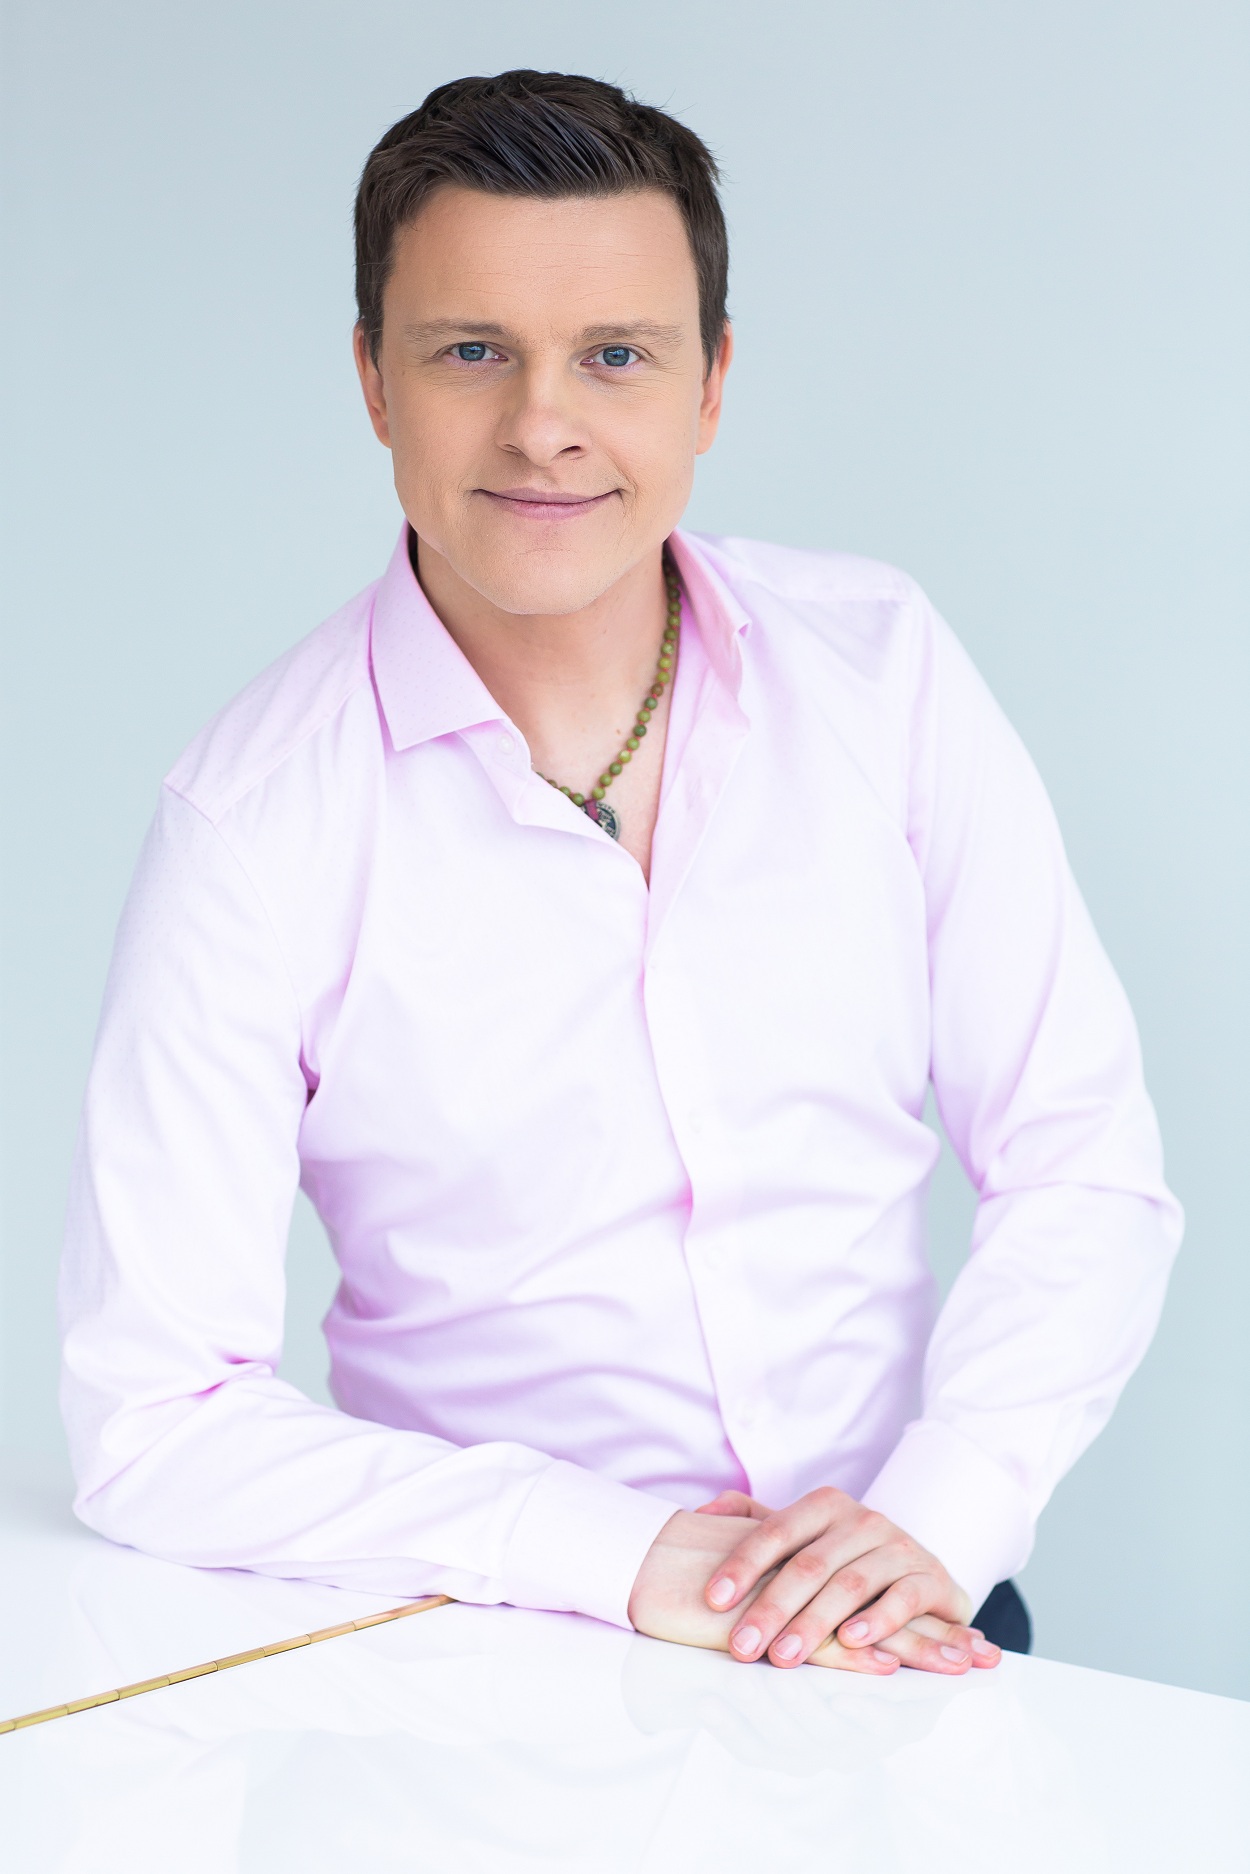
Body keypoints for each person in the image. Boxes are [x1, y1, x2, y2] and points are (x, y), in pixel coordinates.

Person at [59, 70, 1182, 1680]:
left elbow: (1079, 1157)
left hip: (906, 1602)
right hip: (499, 1650)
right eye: (470, 352)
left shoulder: (880, 670)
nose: (543, 424)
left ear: (710, 383)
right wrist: (613, 1552)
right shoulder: (253, 820)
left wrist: (944, 1514)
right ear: (372, 380)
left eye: (615, 355)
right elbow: (155, 1417)